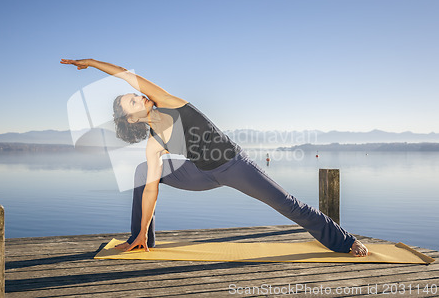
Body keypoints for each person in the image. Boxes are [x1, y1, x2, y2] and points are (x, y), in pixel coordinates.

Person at [61, 58, 369, 257]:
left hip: (234, 165)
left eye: (135, 94)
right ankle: (141, 238)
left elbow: (128, 75)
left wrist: (90, 63)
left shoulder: (169, 102)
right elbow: (151, 190)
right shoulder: (154, 143)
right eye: (132, 101)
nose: (139, 96)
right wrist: (142, 228)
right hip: (200, 173)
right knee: (144, 171)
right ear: (131, 119)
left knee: (287, 203)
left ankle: (343, 241)